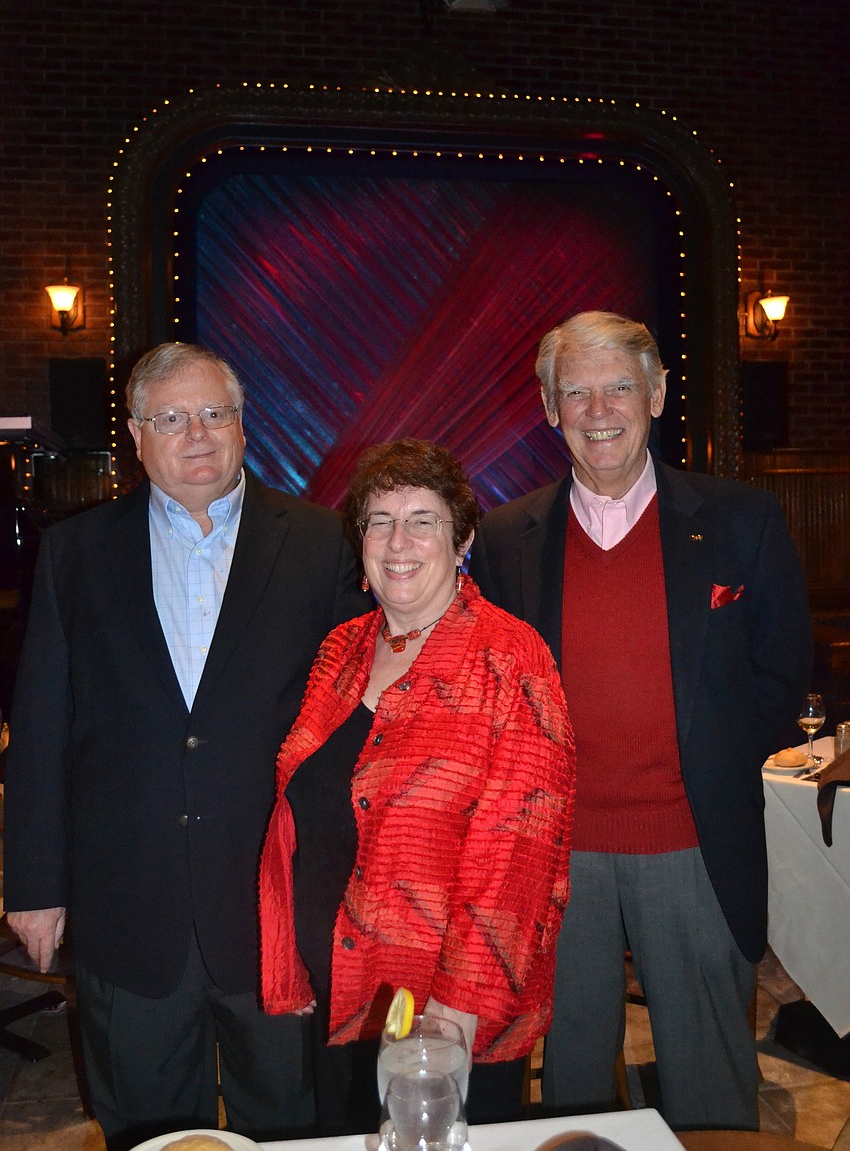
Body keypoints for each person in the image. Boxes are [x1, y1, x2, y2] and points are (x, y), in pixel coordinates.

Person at [3, 342, 369, 1150]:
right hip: (130, 909)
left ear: (242, 426)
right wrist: (34, 883)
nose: (196, 433)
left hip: (277, 911)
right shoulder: (75, 552)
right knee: (149, 1134)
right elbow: (41, 726)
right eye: (170, 418)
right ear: (137, 436)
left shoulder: (323, 544)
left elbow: (355, 724)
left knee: (293, 1128)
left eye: (213, 413)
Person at [469, 311, 813, 1131]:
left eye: (619, 387)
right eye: (575, 392)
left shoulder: (742, 518)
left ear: (656, 395)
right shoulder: (507, 535)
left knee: (710, 1086)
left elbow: (780, 675)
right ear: (549, 408)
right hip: (560, 855)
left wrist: (709, 770)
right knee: (573, 1088)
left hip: (692, 844)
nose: (598, 411)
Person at [259, 437, 575, 1133]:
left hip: (448, 1015)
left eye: (422, 520)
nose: (398, 541)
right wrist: (293, 956)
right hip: (343, 993)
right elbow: (301, 815)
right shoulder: (341, 650)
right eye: (379, 521)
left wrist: (449, 1022)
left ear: (462, 540)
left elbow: (518, 862)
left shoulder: (511, 659)